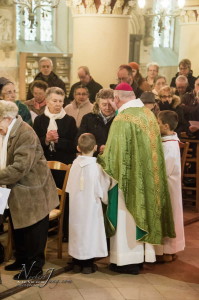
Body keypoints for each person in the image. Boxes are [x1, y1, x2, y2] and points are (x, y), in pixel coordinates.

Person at [98, 82, 175, 275]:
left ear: (117, 98)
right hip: (146, 179)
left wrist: (100, 160)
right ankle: (140, 258)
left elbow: (114, 156)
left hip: (128, 181)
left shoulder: (123, 118)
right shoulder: (148, 114)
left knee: (126, 218)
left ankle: (125, 261)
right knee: (141, 215)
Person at [0, 100, 59, 280]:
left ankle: (34, 268)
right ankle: (22, 260)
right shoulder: (8, 131)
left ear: (7, 119)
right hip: (16, 189)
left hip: (33, 189)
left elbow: (20, 167)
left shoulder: (25, 133)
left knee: (33, 230)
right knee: (19, 228)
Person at [66, 133, 110, 274]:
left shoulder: (74, 164)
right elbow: (103, 189)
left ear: (78, 148)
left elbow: (69, 187)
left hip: (76, 206)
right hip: (91, 207)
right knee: (89, 232)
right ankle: (87, 264)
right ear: (96, 147)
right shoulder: (96, 168)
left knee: (77, 231)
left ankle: (77, 262)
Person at [156, 110, 185, 262]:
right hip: (169, 186)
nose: (156, 125)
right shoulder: (170, 140)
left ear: (166, 126)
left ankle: (167, 251)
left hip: (167, 187)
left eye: (159, 123)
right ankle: (171, 250)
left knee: (169, 216)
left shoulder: (169, 145)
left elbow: (164, 169)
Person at [77, 88, 115, 154]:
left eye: (110, 104)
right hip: (93, 158)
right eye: (104, 104)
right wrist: (98, 147)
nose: (107, 108)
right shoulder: (88, 118)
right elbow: (80, 141)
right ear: (98, 104)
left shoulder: (119, 119)